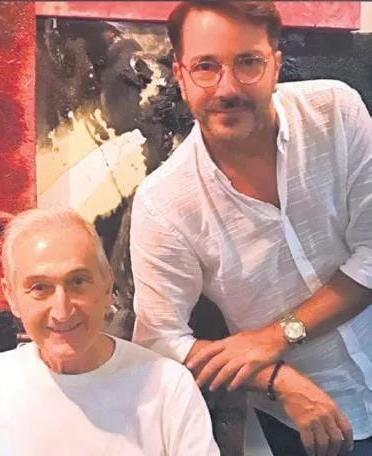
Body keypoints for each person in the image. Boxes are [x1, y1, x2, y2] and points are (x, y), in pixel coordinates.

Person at [130, 1, 372, 455]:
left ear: (275, 64)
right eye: (206, 66)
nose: (227, 88)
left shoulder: (335, 112)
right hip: (305, 424)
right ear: (180, 76)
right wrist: (276, 377)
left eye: (248, 62)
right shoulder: (164, 204)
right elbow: (160, 341)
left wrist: (274, 338)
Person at [0, 207, 219, 456]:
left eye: (77, 282)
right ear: (11, 296)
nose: (62, 311)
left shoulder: (168, 386)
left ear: (107, 284)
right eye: (40, 288)